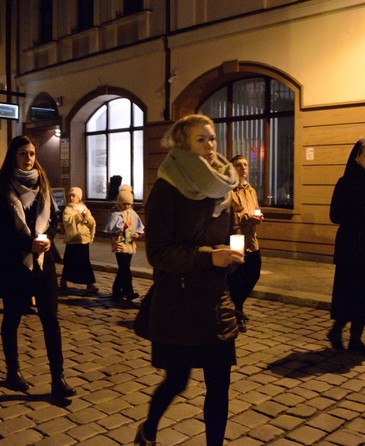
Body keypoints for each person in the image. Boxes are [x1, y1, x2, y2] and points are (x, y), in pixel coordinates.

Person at [136, 114, 243, 446]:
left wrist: (236, 252)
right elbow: (158, 253)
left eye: (212, 138)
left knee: (220, 384)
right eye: (202, 140)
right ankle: (149, 429)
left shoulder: (222, 185)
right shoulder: (167, 190)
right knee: (177, 379)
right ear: (183, 145)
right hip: (179, 305)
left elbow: (234, 231)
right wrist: (208, 257)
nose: (211, 146)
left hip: (216, 303)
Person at [0, 135, 76, 403]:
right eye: (23, 154)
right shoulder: (1, 187)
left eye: (31, 154)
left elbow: (53, 220)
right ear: (13, 156)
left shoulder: (44, 186)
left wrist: (46, 239)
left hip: (42, 263)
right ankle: (12, 370)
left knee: (51, 320)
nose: (29, 158)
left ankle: (57, 378)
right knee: (12, 318)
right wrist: (28, 243)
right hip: (14, 263)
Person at [327, 138, 365, 357]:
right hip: (351, 246)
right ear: (356, 158)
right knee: (350, 292)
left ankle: (354, 338)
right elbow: (336, 215)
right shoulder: (345, 183)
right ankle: (339, 332)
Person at [227, 155, 263, 333]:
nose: (243, 167)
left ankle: (236, 308)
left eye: (245, 164)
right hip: (236, 239)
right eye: (239, 165)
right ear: (232, 168)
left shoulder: (251, 190)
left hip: (251, 239)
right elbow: (228, 217)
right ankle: (238, 313)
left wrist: (258, 214)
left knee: (254, 273)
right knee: (236, 279)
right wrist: (249, 217)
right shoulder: (228, 191)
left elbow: (254, 208)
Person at [102, 184, 144, 301]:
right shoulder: (115, 213)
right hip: (119, 243)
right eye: (124, 203)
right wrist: (120, 229)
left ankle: (116, 289)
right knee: (125, 267)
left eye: (129, 204)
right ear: (120, 202)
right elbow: (110, 228)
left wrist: (138, 234)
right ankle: (128, 291)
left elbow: (139, 226)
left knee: (123, 267)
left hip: (130, 243)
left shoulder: (132, 212)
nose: (127, 206)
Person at [60, 186, 98, 295]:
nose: (71, 198)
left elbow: (92, 222)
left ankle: (89, 283)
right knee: (69, 261)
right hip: (73, 239)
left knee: (85, 261)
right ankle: (64, 280)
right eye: (70, 196)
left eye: (74, 196)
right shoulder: (68, 209)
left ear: (79, 197)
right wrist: (78, 217)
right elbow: (67, 221)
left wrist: (88, 219)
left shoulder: (84, 208)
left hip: (83, 239)